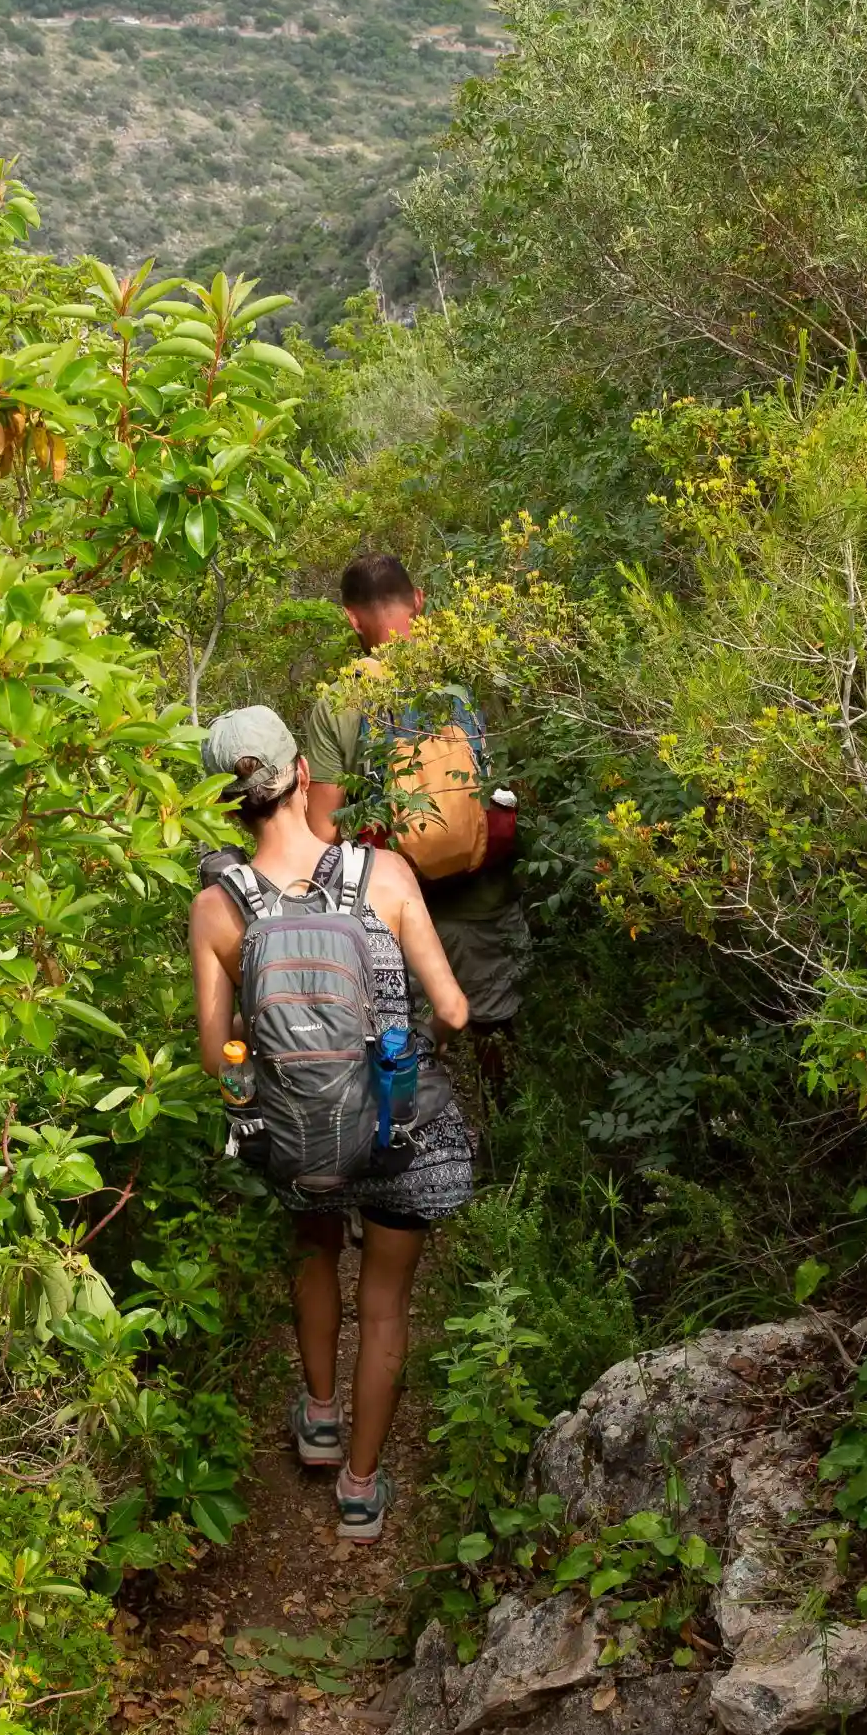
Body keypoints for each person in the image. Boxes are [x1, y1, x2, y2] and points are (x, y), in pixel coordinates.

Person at [188, 704, 471, 1542]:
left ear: (224, 803)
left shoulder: (218, 906)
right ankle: (360, 1485)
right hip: (399, 1132)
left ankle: (317, 1415)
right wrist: (407, 1038)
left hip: (293, 1138)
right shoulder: (383, 876)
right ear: (303, 776)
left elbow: (217, 1059)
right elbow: (452, 1007)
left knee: (313, 1251)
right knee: (385, 1303)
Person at [303, 548, 529, 1095]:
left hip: (397, 914)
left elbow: (322, 833)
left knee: (408, 1044)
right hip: (484, 896)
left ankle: (430, 1150)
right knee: (497, 1034)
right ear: (420, 602)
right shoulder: (464, 677)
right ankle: (513, 1142)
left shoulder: (338, 702)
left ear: (352, 619)